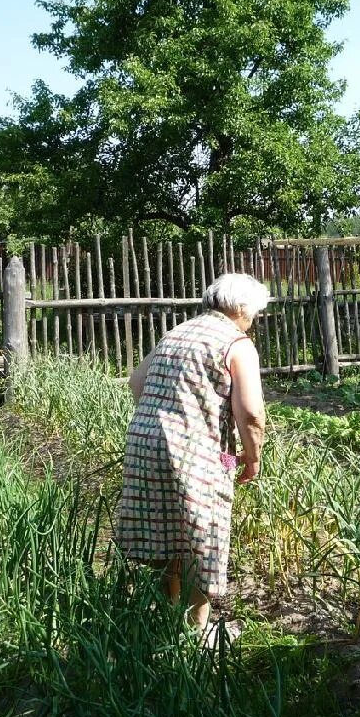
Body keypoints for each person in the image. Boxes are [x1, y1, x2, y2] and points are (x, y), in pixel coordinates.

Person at [115, 272, 269, 637]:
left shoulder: (177, 333)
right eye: (255, 313)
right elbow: (250, 412)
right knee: (202, 538)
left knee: (169, 536)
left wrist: (166, 418)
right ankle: (197, 633)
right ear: (243, 309)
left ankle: (173, 622)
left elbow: (137, 382)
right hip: (196, 453)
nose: (254, 320)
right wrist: (253, 456)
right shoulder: (236, 342)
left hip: (144, 444)